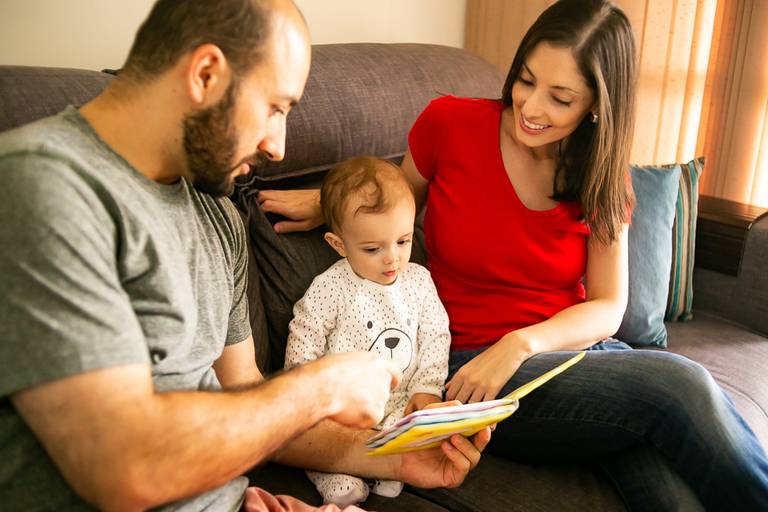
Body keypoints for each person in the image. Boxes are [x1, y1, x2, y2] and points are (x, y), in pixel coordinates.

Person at [257, 0, 768, 509]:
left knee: (671, 492)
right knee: (683, 385)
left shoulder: (601, 174)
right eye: (526, 80)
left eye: (560, 98)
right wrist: (328, 200)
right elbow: (389, 205)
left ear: (596, 105)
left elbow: (609, 306)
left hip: (570, 356)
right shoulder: (450, 124)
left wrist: (520, 344)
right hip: (473, 369)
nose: (531, 107)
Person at [0, 1, 490, 511]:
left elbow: (250, 402)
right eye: (275, 108)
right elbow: (124, 468)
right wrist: (318, 389)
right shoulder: (43, 188)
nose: (278, 147)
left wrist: (393, 458)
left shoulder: (215, 215)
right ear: (205, 74)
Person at [284, 156, 451, 507]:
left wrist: (428, 388)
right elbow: (305, 334)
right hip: (345, 407)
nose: (392, 258)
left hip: (401, 402)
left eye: (403, 241)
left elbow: (436, 335)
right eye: (373, 249)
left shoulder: (419, 281)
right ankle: (338, 477)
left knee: (418, 432)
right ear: (339, 245)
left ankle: (389, 467)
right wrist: (308, 387)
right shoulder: (331, 286)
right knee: (327, 442)